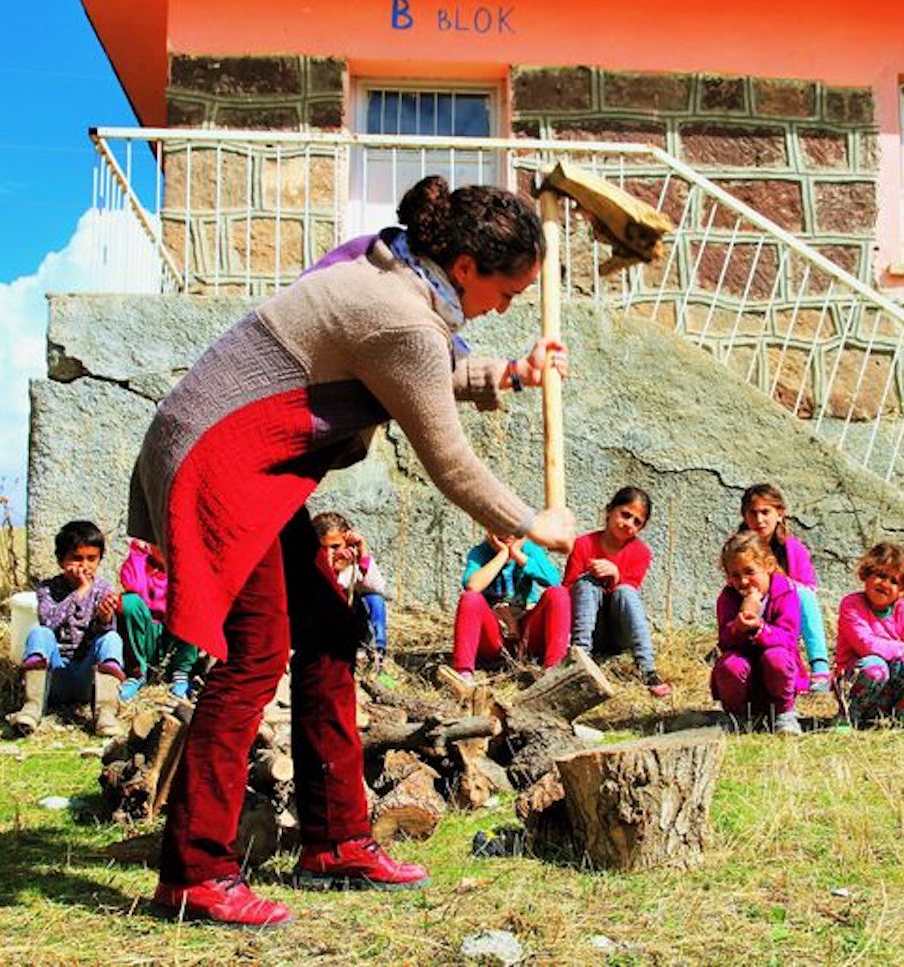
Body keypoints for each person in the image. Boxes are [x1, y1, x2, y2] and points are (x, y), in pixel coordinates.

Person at [128, 175, 574, 927]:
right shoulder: (401, 315)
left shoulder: (392, 265)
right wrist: (533, 522)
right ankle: (195, 873)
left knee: (331, 632)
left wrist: (510, 373)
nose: (506, 307)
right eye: (506, 291)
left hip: (244, 460)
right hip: (217, 460)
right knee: (255, 651)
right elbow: (450, 460)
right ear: (465, 266)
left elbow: (413, 371)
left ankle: (334, 841)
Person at [7, 520, 126, 737]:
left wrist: (105, 617)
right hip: (53, 676)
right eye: (77, 558)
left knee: (112, 639)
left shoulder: (102, 589)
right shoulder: (47, 589)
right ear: (61, 560)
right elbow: (49, 621)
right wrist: (79, 593)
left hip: (86, 677)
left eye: (91, 559)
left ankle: (106, 713)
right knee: (39, 633)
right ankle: (32, 707)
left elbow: (104, 635)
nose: (84, 566)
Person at [565, 486, 670, 697]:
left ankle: (648, 670)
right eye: (625, 514)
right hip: (590, 628)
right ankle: (580, 658)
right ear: (609, 511)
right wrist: (589, 578)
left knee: (625, 591)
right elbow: (567, 592)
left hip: (619, 633)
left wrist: (616, 576)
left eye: (637, 522)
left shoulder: (640, 553)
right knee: (585, 582)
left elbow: (628, 600)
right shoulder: (583, 544)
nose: (629, 524)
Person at [738, 483, 832, 691]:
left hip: (785, 610)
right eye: (753, 513)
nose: (759, 520)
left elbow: (808, 589)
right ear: (745, 516)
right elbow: (735, 584)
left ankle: (820, 667)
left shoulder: (793, 548)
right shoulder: (739, 548)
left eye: (765, 512)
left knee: (804, 595)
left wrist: (779, 584)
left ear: (779, 514)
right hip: (752, 606)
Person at [712, 531, 807, 735]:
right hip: (745, 681)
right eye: (735, 575)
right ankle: (737, 716)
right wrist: (738, 627)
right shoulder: (728, 598)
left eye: (750, 572)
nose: (743, 581)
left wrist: (760, 629)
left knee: (777, 657)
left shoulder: (785, 592)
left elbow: (788, 637)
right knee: (730, 665)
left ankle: (783, 714)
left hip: (777, 677)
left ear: (769, 566)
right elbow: (725, 640)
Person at [451, 531, 570, 681]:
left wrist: (517, 554)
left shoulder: (529, 549)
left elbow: (554, 581)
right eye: (501, 529)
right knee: (470, 599)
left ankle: (554, 669)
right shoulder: (480, 552)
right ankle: (463, 673)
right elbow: (473, 586)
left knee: (558, 594)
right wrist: (502, 555)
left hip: (527, 634)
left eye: (514, 529)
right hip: (496, 637)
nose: (508, 535)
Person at [836, 542, 904, 728]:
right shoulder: (851, 605)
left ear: (902, 589)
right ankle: (848, 716)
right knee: (875, 666)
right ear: (866, 574)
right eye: (881, 575)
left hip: (889, 688)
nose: (885, 584)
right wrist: (901, 648)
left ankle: (903, 710)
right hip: (858, 679)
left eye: (894, 581)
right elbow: (866, 645)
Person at [116, 538, 199, 701]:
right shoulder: (143, 562)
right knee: (129, 602)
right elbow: (132, 584)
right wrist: (138, 554)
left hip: (173, 638)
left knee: (193, 601)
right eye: (158, 541)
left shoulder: (186, 566)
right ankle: (137, 672)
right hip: (145, 636)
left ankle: (181, 672)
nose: (164, 548)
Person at [310, 512, 390, 669]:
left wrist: (362, 553)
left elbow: (376, 587)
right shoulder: (310, 562)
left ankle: (375, 652)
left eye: (335, 547)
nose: (331, 553)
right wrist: (329, 569)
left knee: (374, 600)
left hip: (351, 623)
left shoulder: (351, 560)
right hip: (318, 626)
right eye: (323, 548)